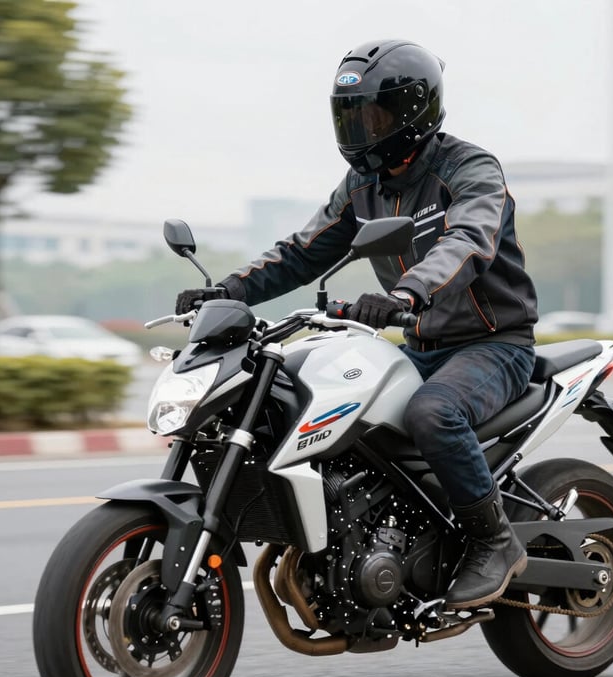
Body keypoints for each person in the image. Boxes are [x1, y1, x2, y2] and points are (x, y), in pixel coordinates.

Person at [176, 39, 540, 610]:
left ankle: (493, 540)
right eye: (352, 116)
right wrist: (229, 289)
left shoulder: (469, 169)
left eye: (376, 115)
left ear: (414, 111)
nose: (362, 129)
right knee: (323, 406)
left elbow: (467, 241)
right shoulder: (361, 187)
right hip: (420, 344)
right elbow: (302, 252)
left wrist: (406, 291)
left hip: (494, 345)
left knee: (432, 413)